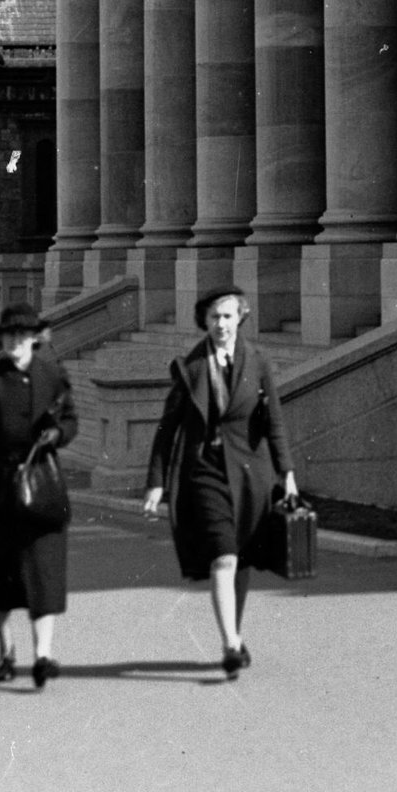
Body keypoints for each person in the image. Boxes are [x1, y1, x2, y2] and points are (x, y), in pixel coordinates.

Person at [142, 289, 297, 677]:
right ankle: (229, 643)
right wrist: (156, 482)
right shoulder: (190, 367)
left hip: (249, 474)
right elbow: (168, 429)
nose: (221, 325)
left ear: (241, 318)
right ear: (204, 321)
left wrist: (287, 472)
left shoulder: (258, 361)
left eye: (228, 317)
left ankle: (236, 634)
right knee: (224, 555)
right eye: (214, 318)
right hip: (204, 471)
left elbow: (274, 420)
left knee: (240, 557)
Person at [0, 306, 76, 687]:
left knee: (44, 572)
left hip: (43, 483)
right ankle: (6, 651)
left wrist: (58, 435)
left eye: (21, 335)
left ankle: (43, 655)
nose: (14, 342)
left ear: (35, 338)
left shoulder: (53, 375)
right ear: (0, 339)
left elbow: (71, 419)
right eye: (8, 336)